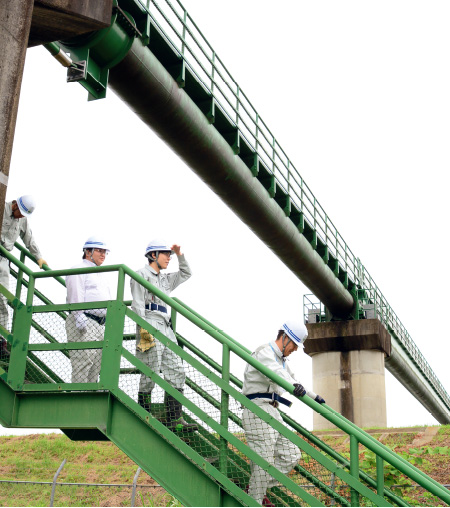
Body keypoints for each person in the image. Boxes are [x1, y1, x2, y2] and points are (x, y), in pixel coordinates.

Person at [242, 318, 326, 506]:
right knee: (263, 458)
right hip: (256, 408)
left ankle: (255, 488)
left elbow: (291, 378)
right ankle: (254, 500)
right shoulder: (264, 352)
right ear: (285, 337)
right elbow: (277, 375)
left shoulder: (282, 360)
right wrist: (293, 385)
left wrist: (314, 396)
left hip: (272, 410)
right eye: (295, 345)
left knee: (291, 455)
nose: (295, 349)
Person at [130, 238, 198, 432]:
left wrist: (180, 255)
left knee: (177, 369)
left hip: (166, 326)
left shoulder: (165, 279)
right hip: (149, 321)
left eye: (170, 255)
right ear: (153, 255)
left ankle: (175, 418)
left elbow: (186, 273)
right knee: (150, 368)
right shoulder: (141, 274)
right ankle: (143, 411)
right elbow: (136, 304)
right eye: (165, 254)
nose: (169, 258)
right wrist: (143, 330)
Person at [0, 195, 47, 358]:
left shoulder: (23, 221)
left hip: (4, 260)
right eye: (21, 212)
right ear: (14, 205)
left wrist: (38, 257)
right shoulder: (2, 207)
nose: (21, 216)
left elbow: (29, 239)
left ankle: (0, 341)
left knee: (3, 300)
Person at [65, 236, 112, 383]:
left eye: (105, 251)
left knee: (96, 368)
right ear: (87, 251)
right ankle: (77, 402)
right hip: (84, 320)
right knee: (83, 364)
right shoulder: (78, 269)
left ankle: (90, 402)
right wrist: (78, 315)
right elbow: (75, 293)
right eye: (99, 251)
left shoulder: (100, 274)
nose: (103, 254)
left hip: (99, 324)